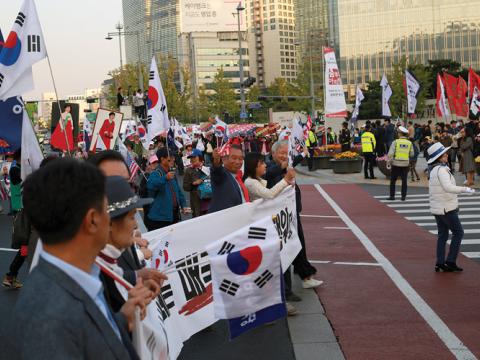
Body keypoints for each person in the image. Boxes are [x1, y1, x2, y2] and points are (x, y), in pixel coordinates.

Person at [9, 158, 149, 359]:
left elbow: (89, 340)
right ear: (93, 220)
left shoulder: (77, 276)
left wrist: (123, 319)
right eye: (107, 208)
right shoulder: (48, 319)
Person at [89, 150, 164, 286]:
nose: (120, 189)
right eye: (111, 183)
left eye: (126, 183)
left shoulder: (123, 233)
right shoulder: (88, 257)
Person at [265, 141, 322, 303]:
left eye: (286, 152)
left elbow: (292, 161)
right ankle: (301, 279)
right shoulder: (269, 166)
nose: (284, 155)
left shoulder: (285, 163)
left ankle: (304, 275)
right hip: (280, 216)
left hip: (292, 212)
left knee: (298, 243)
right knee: (293, 245)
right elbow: (268, 175)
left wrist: (303, 153)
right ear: (273, 153)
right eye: (281, 153)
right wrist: (284, 169)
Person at [100, 176, 162, 313]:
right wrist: (125, 318)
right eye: (132, 217)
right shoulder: (95, 273)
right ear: (109, 223)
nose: (135, 225)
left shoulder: (107, 263)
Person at [427, 143, 475, 272]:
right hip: (446, 208)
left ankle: (440, 262)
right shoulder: (441, 170)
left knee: (442, 235)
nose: (447, 155)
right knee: (458, 232)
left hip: (439, 208)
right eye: (444, 154)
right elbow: (448, 187)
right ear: (439, 157)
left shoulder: (434, 169)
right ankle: (450, 261)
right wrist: (465, 189)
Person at [147, 147, 187, 230]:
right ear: (162, 159)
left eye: (173, 157)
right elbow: (150, 186)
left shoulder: (171, 173)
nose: (173, 159)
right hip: (160, 218)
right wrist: (165, 178)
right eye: (170, 158)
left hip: (173, 215)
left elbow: (178, 191)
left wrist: (183, 205)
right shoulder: (156, 173)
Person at [2, 149, 25, 289]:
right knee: (25, 247)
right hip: (20, 210)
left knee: (25, 248)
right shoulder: (16, 169)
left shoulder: (20, 168)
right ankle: (10, 275)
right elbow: (21, 180)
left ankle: (11, 276)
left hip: (24, 209)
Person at [208, 145, 249, 213]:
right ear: (224, 159)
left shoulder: (238, 177)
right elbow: (216, 170)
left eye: (240, 159)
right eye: (234, 158)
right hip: (224, 219)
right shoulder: (222, 175)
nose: (237, 162)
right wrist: (216, 160)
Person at [387, 126, 413, 201]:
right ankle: (403, 197)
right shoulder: (409, 143)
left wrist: (389, 162)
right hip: (405, 164)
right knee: (404, 180)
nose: (398, 134)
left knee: (393, 180)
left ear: (400, 134)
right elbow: (411, 154)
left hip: (396, 164)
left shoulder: (395, 142)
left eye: (398, 132)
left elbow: (390, 154)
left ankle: (392, 196)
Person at [183, 149, 210, 217]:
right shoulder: (188, 171)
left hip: (209, 201)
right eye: (191, 158)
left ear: (200, 157)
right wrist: (193, 184)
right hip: (197, 203)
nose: (192, 159)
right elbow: (185, 187)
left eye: (194, 157)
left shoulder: (207, 168)